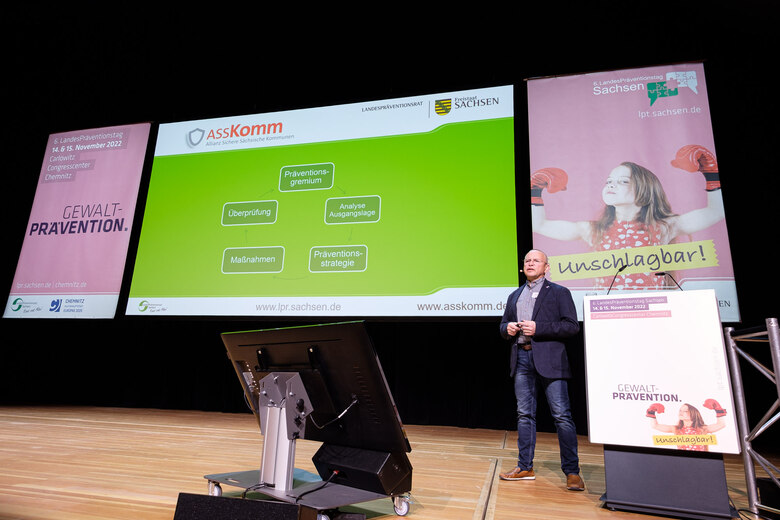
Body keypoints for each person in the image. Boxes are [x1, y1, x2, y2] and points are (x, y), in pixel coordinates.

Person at [530, 145, 724, 290]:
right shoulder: (593, 229)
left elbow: (715, 211)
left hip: (652, 312)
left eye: (623, 181)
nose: (612, 185)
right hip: (608, 312)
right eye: (609, 181)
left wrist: (711, 173)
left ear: (646, 190)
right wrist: (535, 190)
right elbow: (539, 224)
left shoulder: (664, 227)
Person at [498, 249, 584, 491]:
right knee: (525, 415)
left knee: (562, 417)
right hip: (522, 359)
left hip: (550, 361)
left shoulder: (559, 293)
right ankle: (525, 466)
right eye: (527, 260)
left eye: (536, 260)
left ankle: (572, 471)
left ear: (546, 267)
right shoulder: (515, 295)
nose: (530, 263)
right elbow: (502, 325)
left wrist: (539, 328)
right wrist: (509, 329)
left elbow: (571, 327)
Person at [646, 399, 727, 451]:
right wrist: (651, 412)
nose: (681, 412)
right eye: (680, 410)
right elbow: (655, 425)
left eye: (685, 411)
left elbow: (721, 424)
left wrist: (718, 409)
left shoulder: (702, 429)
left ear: (693, 414)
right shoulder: (676, 429)